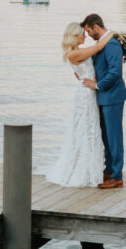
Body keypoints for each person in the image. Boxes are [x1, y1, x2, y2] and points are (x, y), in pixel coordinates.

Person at [44, 23, 113, 187]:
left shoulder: (77, 52)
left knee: (89, 127)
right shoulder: (74, 54)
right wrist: (113, 34)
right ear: (75, 36)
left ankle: (91, 168)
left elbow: (80, 72)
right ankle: (83, 169)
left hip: (87, 89)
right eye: (82, 34)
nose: (85, 36)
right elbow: (99, 47)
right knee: (86, 128)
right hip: (86, 94)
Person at [79, 13, 126, 189]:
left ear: (95, 27)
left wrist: (98, 85)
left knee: (114, 137)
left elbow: (115, 72)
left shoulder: (113, 44)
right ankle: (108, 171)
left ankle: (117, 176)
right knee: (106, 137)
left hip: (113, 97)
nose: (88, 34)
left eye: (88, 30)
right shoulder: (103, 43)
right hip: (102, 98)